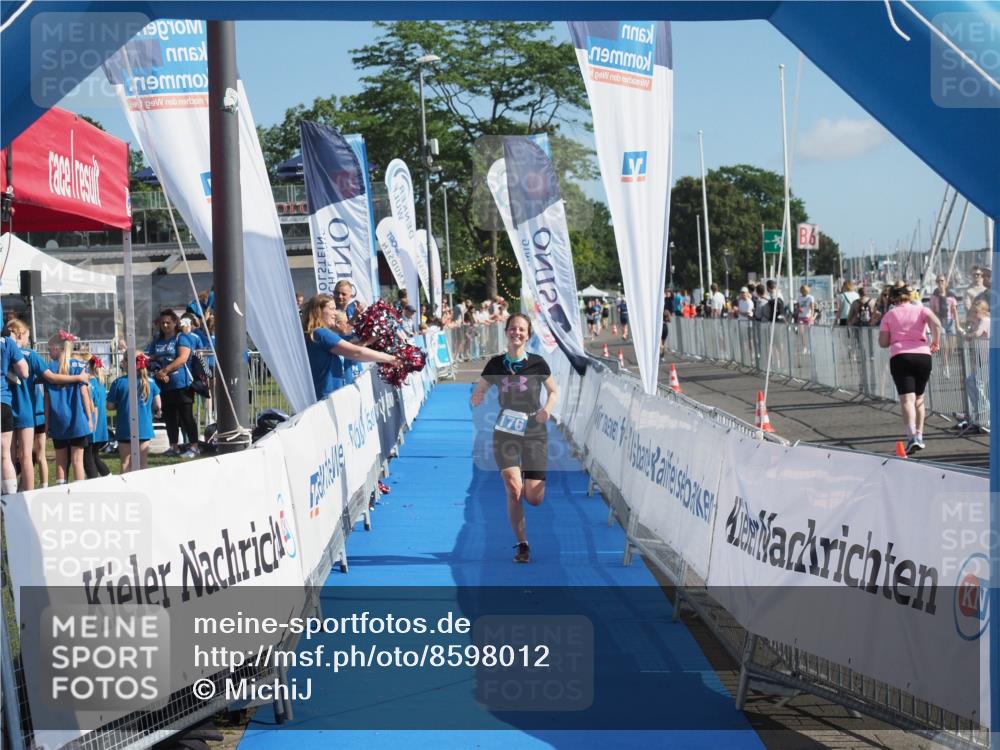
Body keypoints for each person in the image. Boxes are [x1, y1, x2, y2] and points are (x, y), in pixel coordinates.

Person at [470, 313, 558, 563]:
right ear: (506, 331)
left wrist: (547, 410)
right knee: (513, 489)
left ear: (528, 335)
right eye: (513, 328)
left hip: (534, 429)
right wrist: (478, 396)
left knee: (534, 498)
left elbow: (553, 391)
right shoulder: (496, 364)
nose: (517, 333)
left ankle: (532, 479)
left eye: (521, 330)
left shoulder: (538, 363)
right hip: (506, 429)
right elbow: (481, 387)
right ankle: (522, 545)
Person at [878, 284, 943, 454]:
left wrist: (895, 336)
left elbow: (883, 343)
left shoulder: (889, 315)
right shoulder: (921, 310)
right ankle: (920, 436)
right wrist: (935, 342)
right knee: (919, 398)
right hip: (923, 355)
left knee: (907, 400)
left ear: (893, 298)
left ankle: (912, 436)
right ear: (910, 296)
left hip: (901, 356)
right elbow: (937, 323)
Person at [301, 294, 400, 400]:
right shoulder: (321, 333)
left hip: (330, 397)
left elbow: (354, 348)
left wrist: (371, 339)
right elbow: (356, 353)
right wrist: (391, 359)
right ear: (318, 311)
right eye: (332, 309)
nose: (335, 313)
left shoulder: (317, 333)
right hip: (328, 399)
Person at [147, 309, 199, 458]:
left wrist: (166, 370)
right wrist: (158, 371)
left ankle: (194, 446)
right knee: (170, 417)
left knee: (186, 416)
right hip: (164, 385)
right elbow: (151, 357)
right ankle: (173, 446)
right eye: (162, 322)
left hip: (182, 384)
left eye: (168, 322)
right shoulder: (158, 339)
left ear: (175, 322)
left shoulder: (181, 338)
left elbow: (182, 358)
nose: (165, 325)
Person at [44, 331, 95, 484]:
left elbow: (47, 399)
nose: (48, 352)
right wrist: (89, 418)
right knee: (77, 460)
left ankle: (61, 489)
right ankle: (79, 491)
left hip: (58, 419)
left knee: (60, 460)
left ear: (56, 348)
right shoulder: (80, 366)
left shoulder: (49, 369)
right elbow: (84, 394)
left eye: (49, 349)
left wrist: (47, 423)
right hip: (78, 419)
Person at [107, 353, 162, 472]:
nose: (122, 362)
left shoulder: (118, 382)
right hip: (144, 427)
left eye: (123, 360)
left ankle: (126, 484)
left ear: (129, 363)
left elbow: (110, 406)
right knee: (143, 462)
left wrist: (121, 404)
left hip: (125, 427)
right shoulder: (151, 382)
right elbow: (158, 405)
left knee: (126, 462)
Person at [81, 355, 112, 479]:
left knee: (87, 458)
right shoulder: (100, 383)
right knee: (94, 456)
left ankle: (93, 482)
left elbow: (95, 407)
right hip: (100, 426)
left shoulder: (89, 384)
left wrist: (92, 425)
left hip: (93, 424)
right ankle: (109, 477)